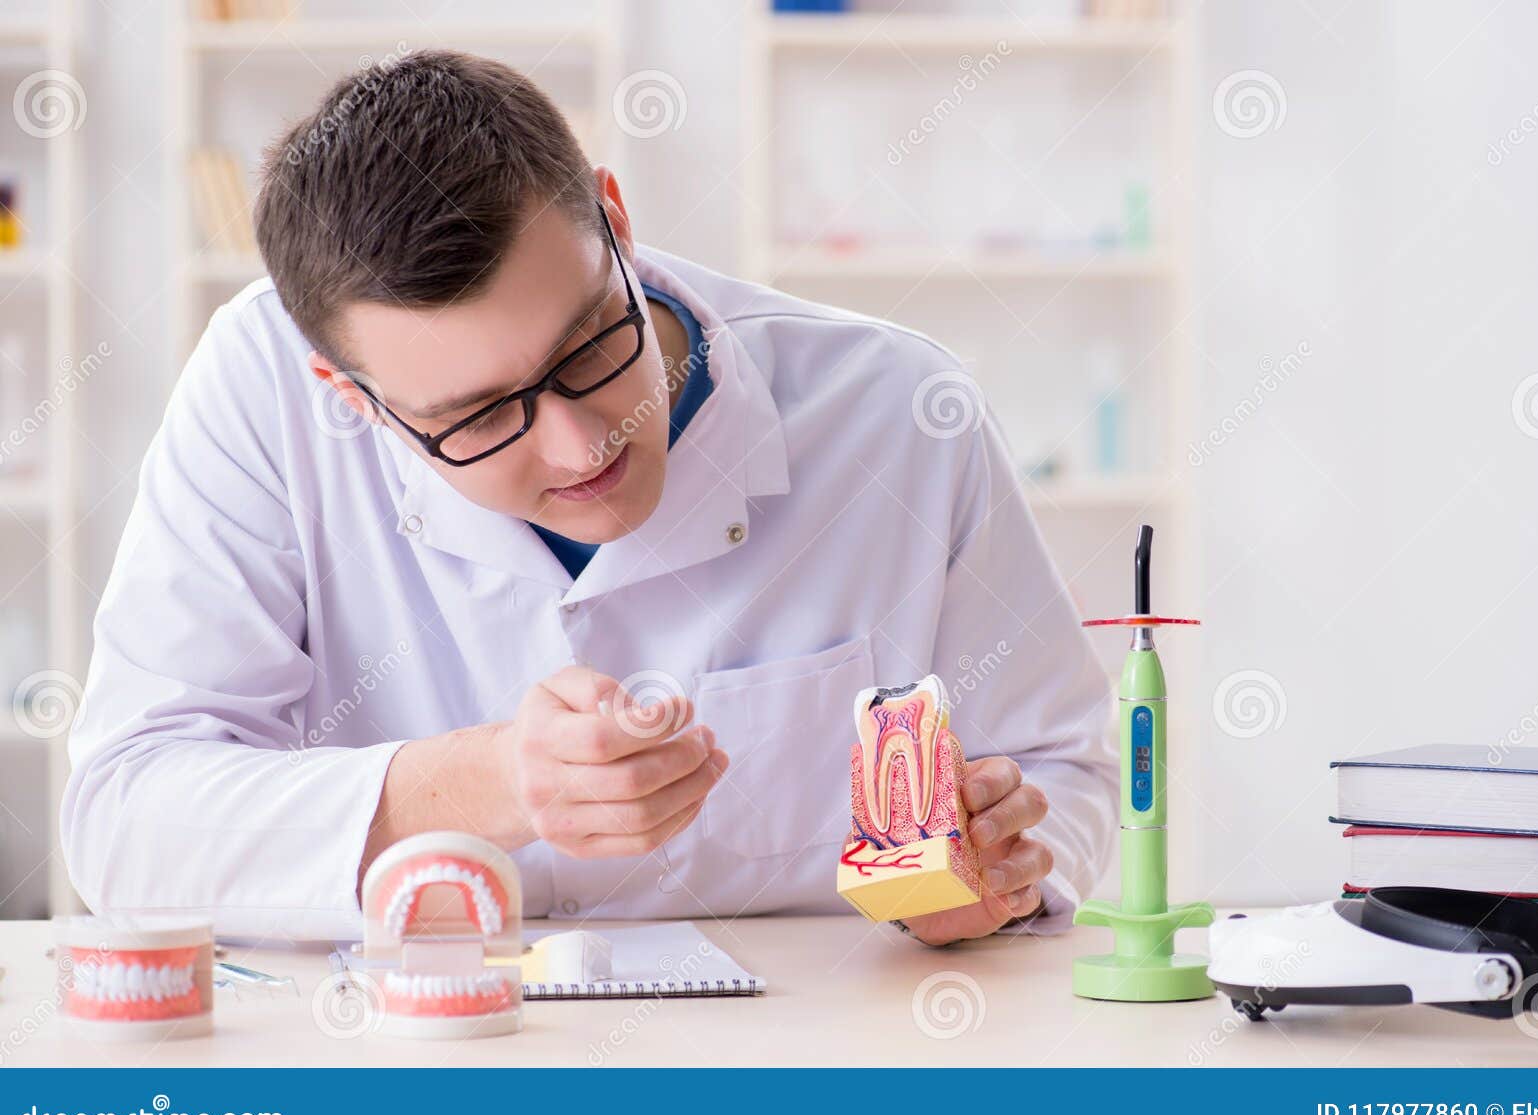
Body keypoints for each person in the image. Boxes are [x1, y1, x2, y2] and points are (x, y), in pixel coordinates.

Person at [65, 51, 1117, 945]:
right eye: (478, 416)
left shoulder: (898, 410)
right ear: (353, 398)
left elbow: (1059, 772)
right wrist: (491, 784)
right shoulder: (261, 388)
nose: (580, 448)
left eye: (586, 347)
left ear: (613, 221)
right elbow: (126, 827)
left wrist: (1001, 876)